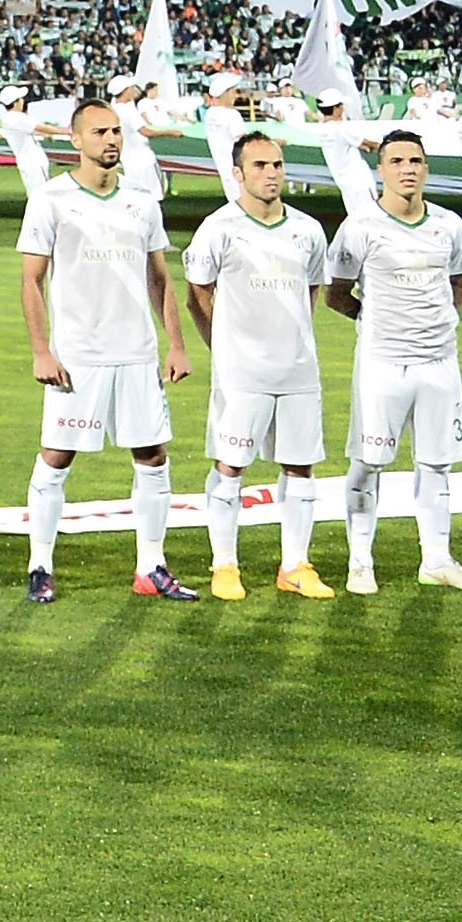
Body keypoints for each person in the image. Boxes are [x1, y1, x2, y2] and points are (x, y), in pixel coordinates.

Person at [18, 95, 193, 604]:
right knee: (56, 456)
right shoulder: (51, 200)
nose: (111, 139)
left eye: (116, 131)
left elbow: (159, 276)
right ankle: (41, 565)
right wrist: (41, 351)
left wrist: (176, 344)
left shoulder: (142, 200)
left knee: (153, 457)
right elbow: (31, 280)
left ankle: (152, 567)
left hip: (136, 353)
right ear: (76, 141)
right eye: (99, 132)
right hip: (79, 356)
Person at [325, 128, 462, 594]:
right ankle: (361, 561)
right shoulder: (359, 227)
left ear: (426, 167)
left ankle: (437, 560)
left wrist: (437, 324)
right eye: (396, 161)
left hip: (439, 362)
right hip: (383, 362)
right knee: (368, 461)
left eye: (415, 161)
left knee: (438, 464)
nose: (407, 170)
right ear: (381, 169)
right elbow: (336, 294)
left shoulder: (449, 224)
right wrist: (372, 318)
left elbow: (460, 281)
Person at [185, 132, 337, 600]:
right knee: (231, 465)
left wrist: (294, 340)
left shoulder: (308, 229)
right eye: (259, 166)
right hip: (242, 372)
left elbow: (311, 289)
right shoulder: (220, 227)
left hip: (297, 371)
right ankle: (224, 565)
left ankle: (295, 565)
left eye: (276, 165)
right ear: (238, 173)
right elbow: (197, 293)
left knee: (301, 466)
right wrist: (225, 346)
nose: (271, 174)